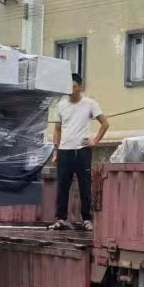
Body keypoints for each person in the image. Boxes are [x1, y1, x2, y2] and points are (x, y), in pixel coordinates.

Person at [51, 74, 107, 230]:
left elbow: (105, 123)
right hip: (64, 150)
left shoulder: (90, 104)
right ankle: (61, 218)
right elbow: (57, 129)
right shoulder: (61, 105)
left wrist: (95, 141)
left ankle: (87, 219)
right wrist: (55, 150)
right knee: (63, 185)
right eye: (68, 86)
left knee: (84, 185)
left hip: (82, 150)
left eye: (74, 86)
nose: (70, 89)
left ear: (80, 87)